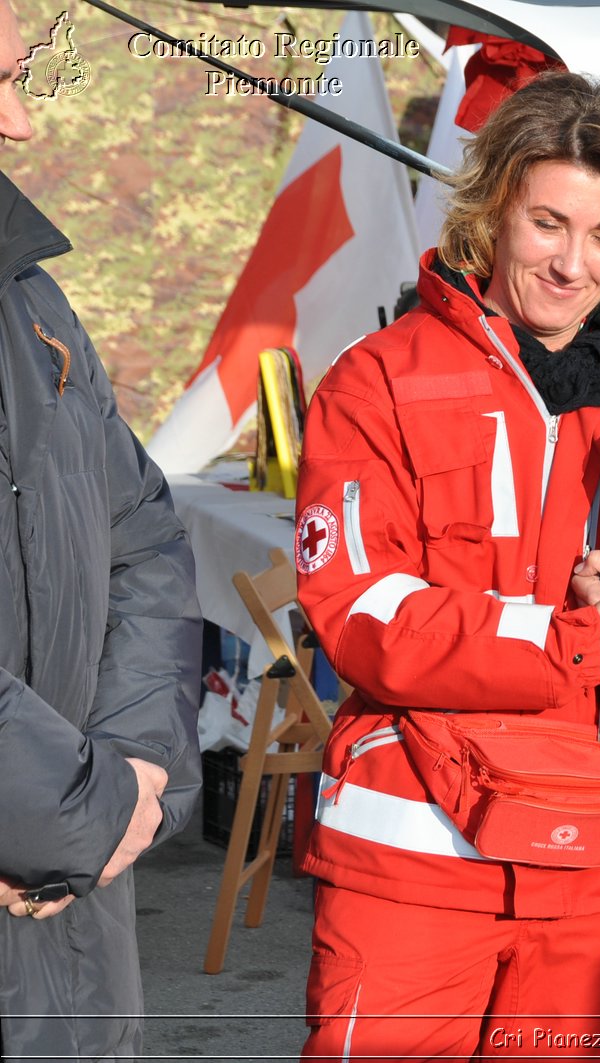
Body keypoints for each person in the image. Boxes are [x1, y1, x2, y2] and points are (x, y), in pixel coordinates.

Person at [294, 72, 600, 1060]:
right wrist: (591, 642)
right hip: (418, 864)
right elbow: (361, 610)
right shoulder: (379, 379)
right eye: (548, 225)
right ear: (492, 216)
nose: (573, 265)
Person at [0, 0, 202, 1055]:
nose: (23, 125)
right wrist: (74, 810)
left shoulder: (33, 304)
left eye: (19, 76)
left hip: (76, 913)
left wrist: (134, 769)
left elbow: (147, 535)